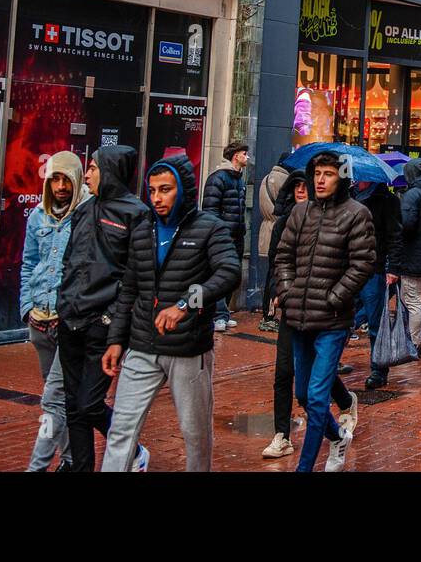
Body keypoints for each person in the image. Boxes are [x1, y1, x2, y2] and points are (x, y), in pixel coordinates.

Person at [100, 154, 240, 471]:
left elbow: (230, 272)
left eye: (165, 190)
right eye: (152, 191)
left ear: (182, 190)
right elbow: (130, 289)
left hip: (187, 348)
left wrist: (185, 304)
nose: (157, 198)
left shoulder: (210, 228)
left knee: (195, 433)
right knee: (121, 430)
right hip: (142, 344)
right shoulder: (141, 229)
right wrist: (115, 340)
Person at [275, 151, 376, 472]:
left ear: (341, 178)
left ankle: (305, 468)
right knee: (303, 394)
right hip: (299, 317)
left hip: (332, 320)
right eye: (317, 173)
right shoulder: (300, 212)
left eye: (328, 174)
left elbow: (362, 264)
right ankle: (336, 437)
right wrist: (288, 290)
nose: (320, 180)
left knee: (318, 397)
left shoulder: (356, 214)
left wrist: (335, 297)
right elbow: (284, 255)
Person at [56, 145, 146, 472]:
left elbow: (135, 277)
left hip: (101, 325)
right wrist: (61, 304)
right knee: (72, 406)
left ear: (109, 170)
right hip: (70, 320)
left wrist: (113, 323)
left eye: (93, 168)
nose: (88, 174)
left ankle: (131, 449)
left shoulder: (135, 214)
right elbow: (70, 260)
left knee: (89, 403)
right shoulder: (83, 209)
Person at [263, 173, 358, 461]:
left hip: (324, 312)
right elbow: (276, 261)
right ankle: (282, 435)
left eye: (308, 187)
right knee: (284, 372)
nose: (303, 192)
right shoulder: (286, 223)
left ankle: (343, 401)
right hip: (293, 310)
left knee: (317, 377)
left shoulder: (339, 222)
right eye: (298, 188)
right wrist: (280, 291)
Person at [19, 151, 86, 472]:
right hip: (39, 320)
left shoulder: (85, 215)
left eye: (66, 180)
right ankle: (71, 459)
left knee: (53, 400)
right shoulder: (37, 217)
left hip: (68, 322)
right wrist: (26, 308)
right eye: (55, 179)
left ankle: (37, 467)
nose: (60, 186)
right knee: (60, 397)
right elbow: (28, 263)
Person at [387, 161, 421, 358]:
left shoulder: (413, 194)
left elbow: (405, 225)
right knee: (414, 298)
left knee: (411, 300)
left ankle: (413, 343)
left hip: (411, 255)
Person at [359, 180, 402, 391]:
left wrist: (393, 268)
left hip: (374, 269)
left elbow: (395, 236)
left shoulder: (388, 200)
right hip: (348, 267)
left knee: (376, 322)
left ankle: (379, 369)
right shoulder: (346, 195)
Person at [202, 141, 249, 332]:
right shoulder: (218, 178)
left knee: (233, 274)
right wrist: (219, 232)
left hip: (237, 235)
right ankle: (219, 315)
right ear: (235, 156)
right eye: (244, 154)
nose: (247, 157)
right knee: (221, 273)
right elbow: (210, 208)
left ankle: (224, 312)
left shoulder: (239, 179)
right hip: (224, 235)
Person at [255, 160, 291, 333]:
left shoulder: (266, 178)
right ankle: (269, 315)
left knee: (270, 273)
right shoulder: (285, 180)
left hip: (266, 228)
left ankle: (267, 314)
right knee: (274, 277)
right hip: (279, 229)